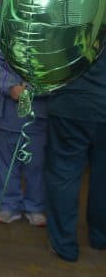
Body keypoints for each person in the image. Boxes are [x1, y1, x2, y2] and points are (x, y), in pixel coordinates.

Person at [45, 52, 106, 262]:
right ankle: (100, 237)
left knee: (63, 175)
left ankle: (64, 245)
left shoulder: (64, 16)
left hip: (68, 103)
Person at [0, 49, 47, 226]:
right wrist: (11, 87)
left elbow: (54, 75)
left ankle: (35, 207)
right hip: (4, 115)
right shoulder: (5, 42)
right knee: (5, 165)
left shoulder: (48, 45)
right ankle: (9, 205)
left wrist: (26, 89)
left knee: (35, 165)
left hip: (36, 117)